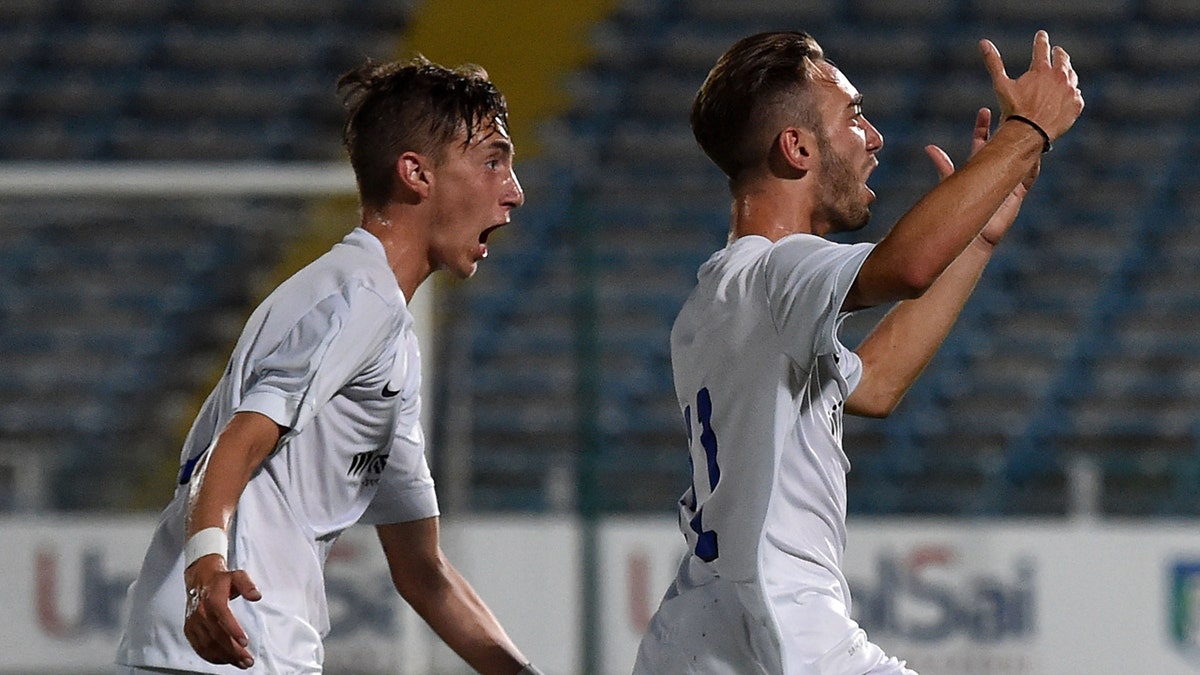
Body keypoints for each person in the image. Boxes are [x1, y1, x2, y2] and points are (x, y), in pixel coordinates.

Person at [633, 30, 1082, 674]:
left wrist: (977, 240)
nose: (873, 137)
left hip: (701, 645)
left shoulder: (720, 299)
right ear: (797, 147)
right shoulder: (777, 272)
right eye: (854, 116)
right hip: (786, 639)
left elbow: (875, 385)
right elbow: (906, 266)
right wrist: (1029, 129)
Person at [116, 56, 544, 675]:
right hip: (233, 643)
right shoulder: (360, 299)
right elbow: (238, 443)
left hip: (218, 646)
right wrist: (206, 566)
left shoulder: (379, 331)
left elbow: (423, 573)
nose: (514, 189)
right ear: (416, 173)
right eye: (492, 161)